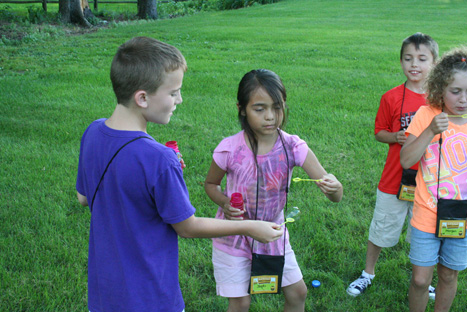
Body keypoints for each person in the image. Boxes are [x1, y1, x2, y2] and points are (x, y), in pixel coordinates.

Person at [75, 37, 283, 312]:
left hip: (105, 293)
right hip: (152, 297)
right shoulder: (160, 159)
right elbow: (187, 226)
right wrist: (249, 226)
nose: (179, 100)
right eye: (173, 93)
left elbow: (83, 198)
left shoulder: (93, 131)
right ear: (142, 98)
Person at [204, 69, 343, 311]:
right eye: (259, 109)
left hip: (273, 233)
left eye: (276, 108)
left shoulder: (293, 147)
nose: (270, 116)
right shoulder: (229, 150)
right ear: (242, 108)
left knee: (298, 292)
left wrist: (334, 187)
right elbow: (210, 184)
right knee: (240, 303)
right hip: (234, 237)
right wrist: (224, 202)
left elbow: (335, 195)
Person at [346, 33, 439, 297]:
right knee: (381, 227)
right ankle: (368, 273)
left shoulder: (439, 101)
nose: (414, 64)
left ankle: (423, 279)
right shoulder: (391, 97)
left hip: (428, 183)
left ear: (434, 62)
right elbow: (379, 132)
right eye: (408, 58)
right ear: (400, 62)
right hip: (394, 179)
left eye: (422, 59)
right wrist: (395, 136)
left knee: (424, 235)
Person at [400, 47, 467, 312]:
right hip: (427, 212)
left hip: (461, 216)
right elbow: (406, 160)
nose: (463, 99)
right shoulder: (427, 115)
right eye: (456, 91)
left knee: (450, 274)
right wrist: (429, 131)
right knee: (420, 279)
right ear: (440, 88)